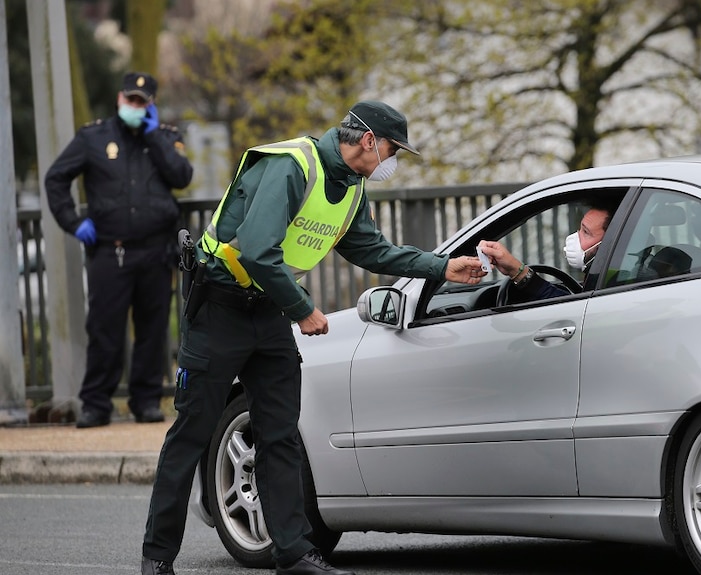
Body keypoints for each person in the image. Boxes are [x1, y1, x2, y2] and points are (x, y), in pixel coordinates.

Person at [140, 100, 484, 575]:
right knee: (192, 434)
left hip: (267, 313)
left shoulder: (351, 185)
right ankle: (157, 558)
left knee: (280, 436)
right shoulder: (291, 166)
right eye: (392, 150)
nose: (392, 162)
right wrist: (302, 310)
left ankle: (294, 553)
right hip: (219, 309)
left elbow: (370, 249)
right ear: (367, 141)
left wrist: (441, 267)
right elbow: (259, 252)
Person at [45, 72, 193, 429]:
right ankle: (96, 403)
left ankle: (145, 401)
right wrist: (73, 221)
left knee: (152, 331)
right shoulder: (93, 137)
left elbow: (182, 176)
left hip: (156, 251)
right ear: (119, 98)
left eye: (142, 101)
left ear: (152, 105)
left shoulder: (166, 137)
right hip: (110, 252)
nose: (135, 106)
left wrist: (154, 136)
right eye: (131, 99)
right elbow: (56, 178)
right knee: (104, 329)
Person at [479, 206, 610, 301]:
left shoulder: (613, 284)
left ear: (607, 244)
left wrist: (518, 271)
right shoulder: (609, 277)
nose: (575, 237)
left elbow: (571, 310)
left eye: (586, 232)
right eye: (580, 229)